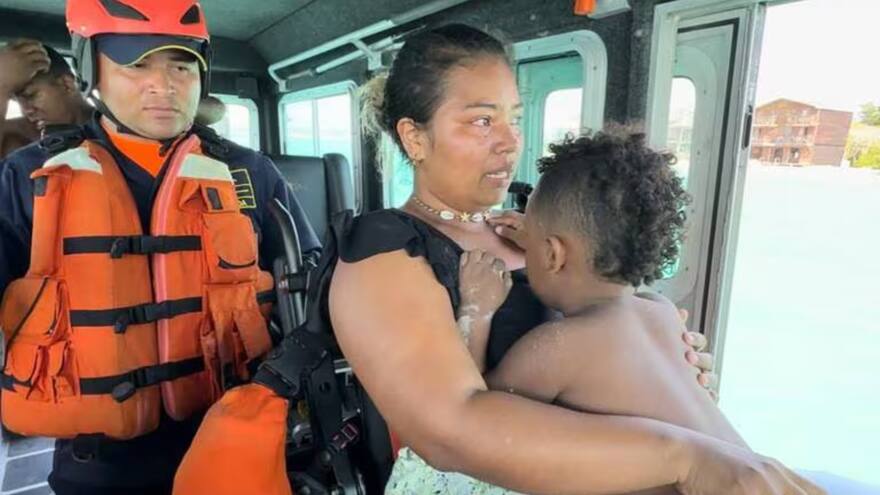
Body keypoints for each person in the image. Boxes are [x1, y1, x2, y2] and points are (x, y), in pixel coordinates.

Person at [175, 23, 820, 495]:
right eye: (481, 122)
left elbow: (614, 325)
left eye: (513, 117)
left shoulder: (534, 227)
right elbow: (450, 432)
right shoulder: (384, 254)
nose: (510, 141)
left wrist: (676, 364)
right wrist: (687, 455)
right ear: (414, 136)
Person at [0, 1, 319, 494]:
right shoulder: (29, 176)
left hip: (235, 445)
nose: (164, 84)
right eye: (136, 64)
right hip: (99, 465)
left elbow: (313, 291)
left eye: (181, 64)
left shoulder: (250, 172)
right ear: (92, 71)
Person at [385, 130, 750, 494]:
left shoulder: (559, 347)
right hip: (750, 472)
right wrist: (539, 236)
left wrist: (478, 309)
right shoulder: (662, 310)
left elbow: (475, 426)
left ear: (553, 255)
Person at [0, 40, 91, 158]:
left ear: (66, 84)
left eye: (30, 95)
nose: (26, 111)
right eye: (16, 101)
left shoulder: (115, 128)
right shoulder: (17, 138)